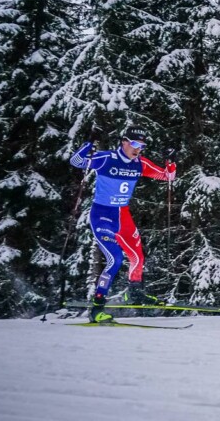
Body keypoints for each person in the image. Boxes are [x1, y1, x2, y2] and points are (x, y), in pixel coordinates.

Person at [70, 126, 177, 323]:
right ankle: (97, 308)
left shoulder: (140, 163)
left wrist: (170, 161)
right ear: (124, 142)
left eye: (142, 146)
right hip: (102, 215)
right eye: (135, 144)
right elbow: (76, 162)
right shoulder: (106, 158)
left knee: (137, 256)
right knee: (115, 259)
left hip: (123, 215)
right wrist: (89, 144)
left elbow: (167, 176)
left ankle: (133, 292)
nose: (138, 149)